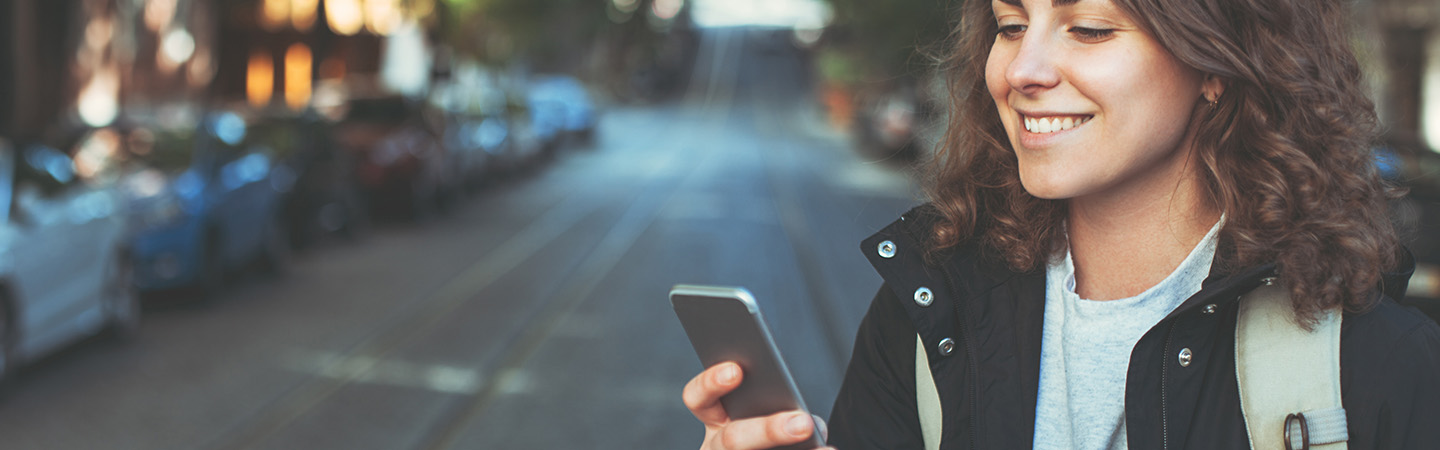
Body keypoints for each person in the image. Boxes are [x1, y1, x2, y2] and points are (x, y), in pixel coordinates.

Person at [682, 0, 1440, 447]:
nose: (1021, 70)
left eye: (1090, 28)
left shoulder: (1380, 366)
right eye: (1012, 24)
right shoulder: (924, 309)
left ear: (1216, 63)